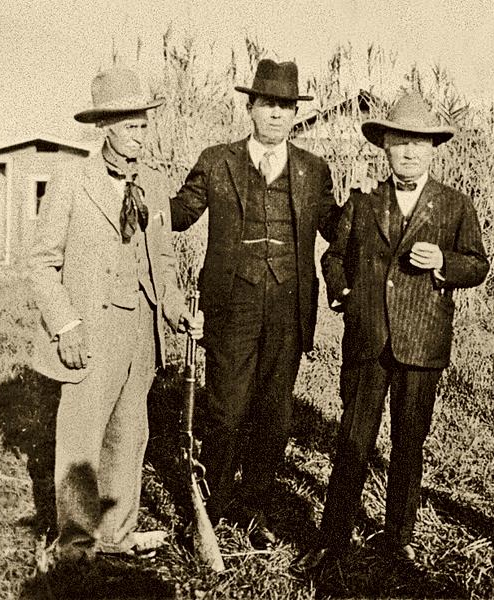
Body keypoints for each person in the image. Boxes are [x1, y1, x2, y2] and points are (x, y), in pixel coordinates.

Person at [294, 93, 489, 571]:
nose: (408, 153)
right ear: (384, 146)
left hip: (422, 344)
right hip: (368, 340)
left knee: (408, 443)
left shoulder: (454, 204)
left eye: (418, 145)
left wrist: (445, 262)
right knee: (353, 440)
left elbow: (478, 265)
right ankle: (334, 536)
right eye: (399, 143)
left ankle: (397, 538)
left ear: (433, 150)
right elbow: (332, 257)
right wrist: (341, 292)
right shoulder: (363, 202)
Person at [30, 66, 203, 561]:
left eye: (145, 125)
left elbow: (162, 261)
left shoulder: (153, 181)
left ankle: (117, 534)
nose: (140, 135)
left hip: (140, 330)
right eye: (131, 126)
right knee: (82, 435)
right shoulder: (71, 180)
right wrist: (66, 324)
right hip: (89, 329)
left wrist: (174, 311)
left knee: (130, 434)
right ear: (105, 126)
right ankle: (76, 543)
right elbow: (42, 263)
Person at [169, 59, 340, 549]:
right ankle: (215, 503)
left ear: (295, 113)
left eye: (287, 106)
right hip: (231, 307)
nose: (277, 115)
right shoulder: (216, 160)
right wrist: (145, 199)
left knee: (275, 414)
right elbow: (180, 214)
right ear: (250, 107)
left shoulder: (313, 169)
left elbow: (336, 227)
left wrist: (375, 211)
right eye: (268, 105)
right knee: (225, 410)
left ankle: (255, 505)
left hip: (289, 307)